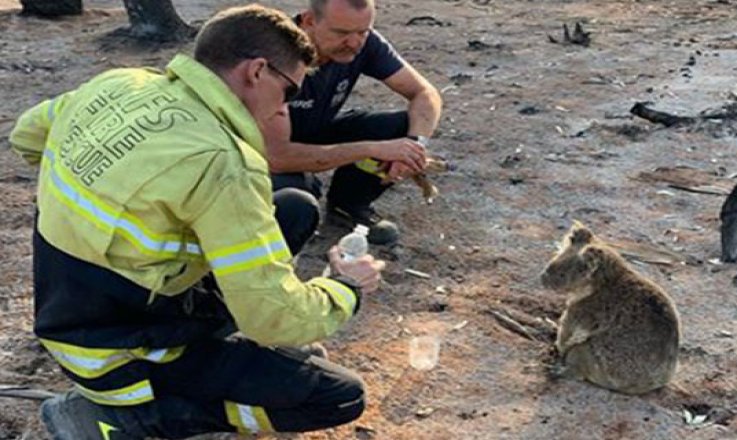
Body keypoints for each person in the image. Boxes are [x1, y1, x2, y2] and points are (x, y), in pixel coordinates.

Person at [8, 5, 385, 439]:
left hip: (69, 309)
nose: (283, 110)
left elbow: (26, 136)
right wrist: (344, 288)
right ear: (256, 71)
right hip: (121, 350)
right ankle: (127, 418)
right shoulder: (222, 161)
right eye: (287, 93)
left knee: (295, 207)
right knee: (339, 396)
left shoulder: (120, 83)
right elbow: (271, 319)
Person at [267, 0, 444, 245]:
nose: (354, 43)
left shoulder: (364, 42)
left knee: (399, 129)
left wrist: (415, 145)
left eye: (363, 32)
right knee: (300, 199)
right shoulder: (276, 55)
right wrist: (372, 149)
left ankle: (349, 204)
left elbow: (425, 94)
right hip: (260, 149)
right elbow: (277, 157)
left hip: (314, 127)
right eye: (341, 33)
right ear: (309, 21)